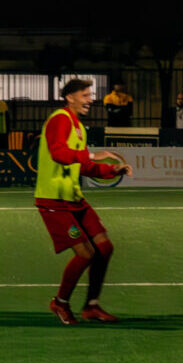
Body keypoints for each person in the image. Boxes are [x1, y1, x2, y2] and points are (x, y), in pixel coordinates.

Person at [35, 79, 133, 325]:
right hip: (54, 199)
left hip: (74, 198)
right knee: (86, 253)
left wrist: (113, 170)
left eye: (90, 95)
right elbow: (58, 152)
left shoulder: (78, 125)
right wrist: (91, 154)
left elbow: (84, 165)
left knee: (105, 247)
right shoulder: (60, 119)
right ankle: (60, 303)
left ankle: (91, 306)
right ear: (70, 97)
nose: (91, 99)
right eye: (85, 94)